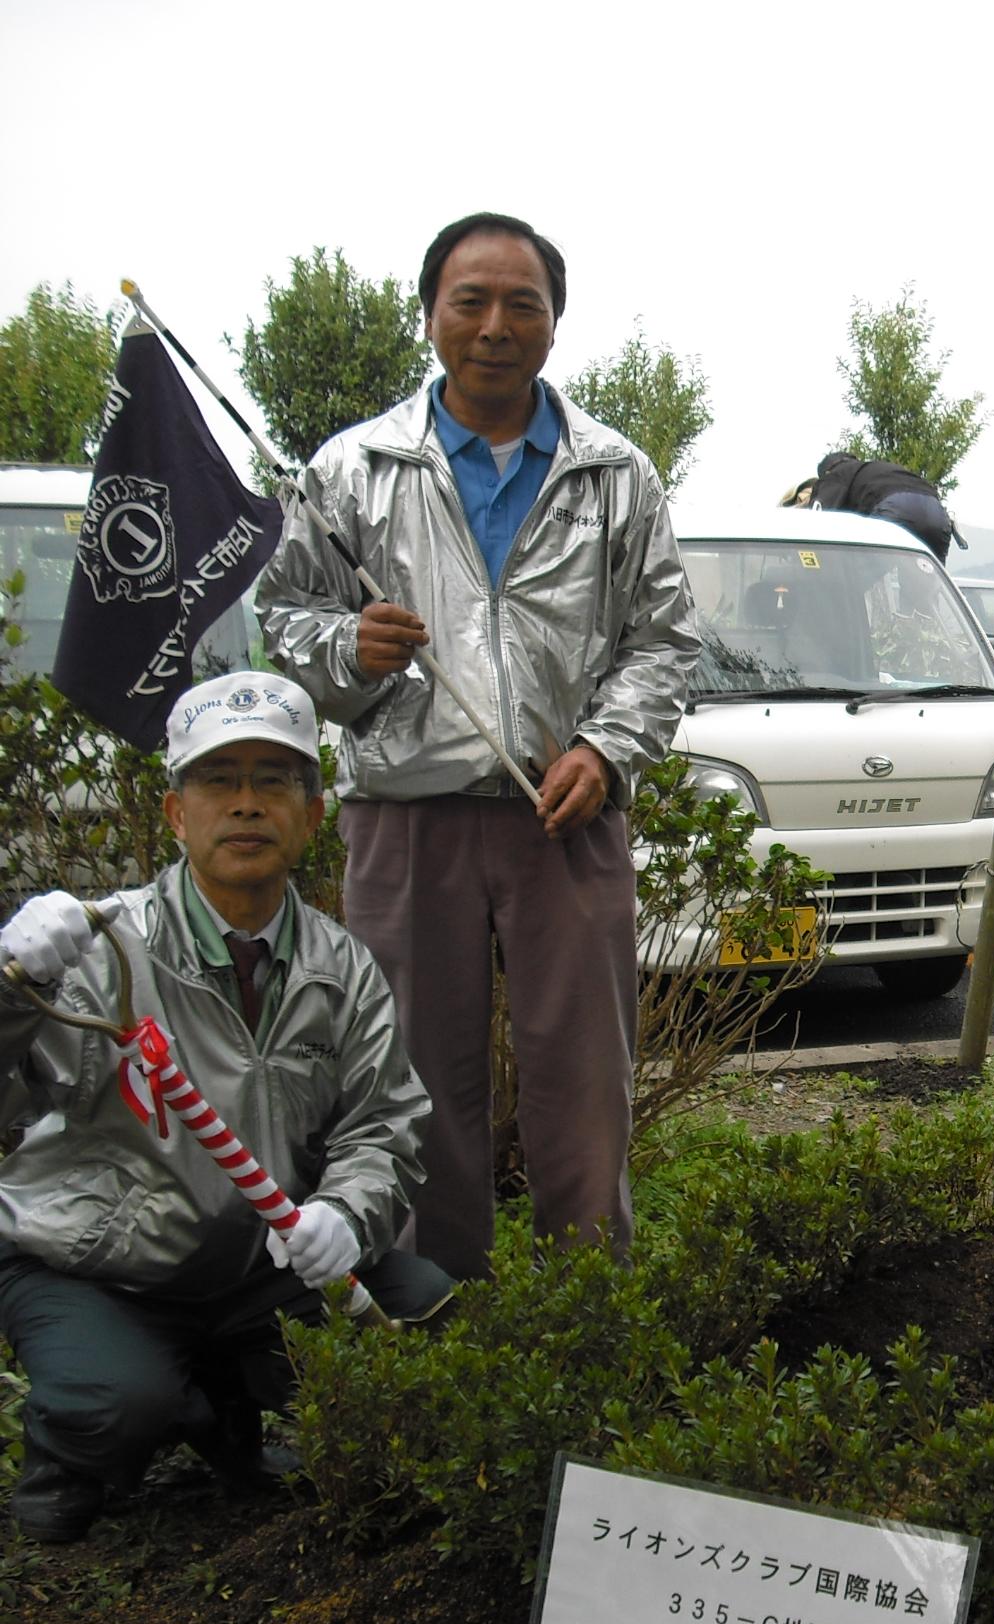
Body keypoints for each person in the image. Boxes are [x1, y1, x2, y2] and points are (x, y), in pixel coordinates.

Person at [255, 212, 699, 1281]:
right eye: (472, 301)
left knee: (583, 1080)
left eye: (523, 304)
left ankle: (588, 1310)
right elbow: (281, 623)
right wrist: (350, 651)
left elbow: (665, 641)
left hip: (567, 818)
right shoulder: (351, 470)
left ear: (554, 322)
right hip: (405, 820)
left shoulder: (613, 474)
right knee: (412, 1077)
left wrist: (605, 750)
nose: (496, 326)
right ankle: (432, 1314)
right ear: (431, 315)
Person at [0, 672, 450, 1543]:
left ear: (311, 816)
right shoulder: (99, 951)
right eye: (219, 780)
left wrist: (344, 1216)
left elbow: (383, 1125)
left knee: (418, 1303)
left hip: (254, 1272)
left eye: (274, 781)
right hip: (100, 1268)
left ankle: (228, 1412)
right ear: (176, 812)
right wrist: (12, 988)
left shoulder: (341, 967)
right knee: (115, 1405)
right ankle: (79, 1442)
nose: (246, 805)